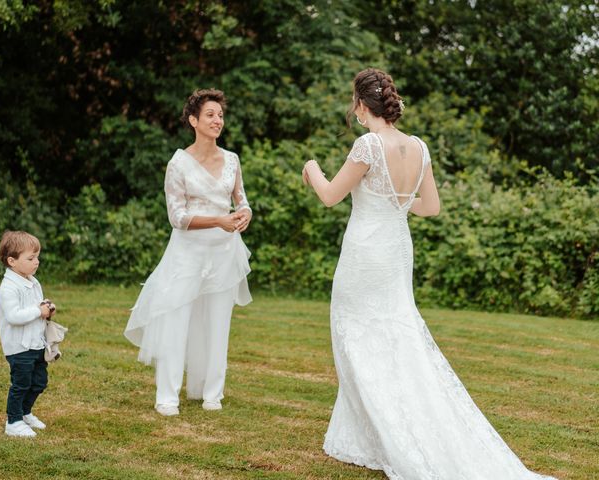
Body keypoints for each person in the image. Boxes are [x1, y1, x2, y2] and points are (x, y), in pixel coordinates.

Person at [302, 68, 557, 479]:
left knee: (357, 338)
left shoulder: (368, 145)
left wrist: (312, 168)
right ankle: (365, 434)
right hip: (397, 249)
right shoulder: (418, 146)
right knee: (395, 336)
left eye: (356, 104)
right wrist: (395, 205)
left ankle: (391, 435)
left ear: (364, 106)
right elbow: (430, 206)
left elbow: (331, 195)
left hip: (367, 253)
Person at [125, 88, 252, 416]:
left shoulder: (232, 160)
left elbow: (241, 199)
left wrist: (245, 213)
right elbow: (177, 217)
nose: (217, 120)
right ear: (193, 120)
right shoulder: (178, 163)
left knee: (217, 323)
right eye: (210, 114)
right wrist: (218, 221)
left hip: (224, 253)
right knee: (176, 319)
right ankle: (166, 396)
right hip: (188, 253)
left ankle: (212, 393)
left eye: (220, 115)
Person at [0, 230, 56, 438]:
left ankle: (24, 412)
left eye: (37, 257)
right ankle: (13, 421)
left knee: (39, 381)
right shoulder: (8, 288)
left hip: (36, 343)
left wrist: (45, 307)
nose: (36, 262)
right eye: (31, 258)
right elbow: (13, 316)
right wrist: (38, 311)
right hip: (19, 347)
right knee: (21, 384)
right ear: (12, 261)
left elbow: (35, 305)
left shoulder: (32, 280)